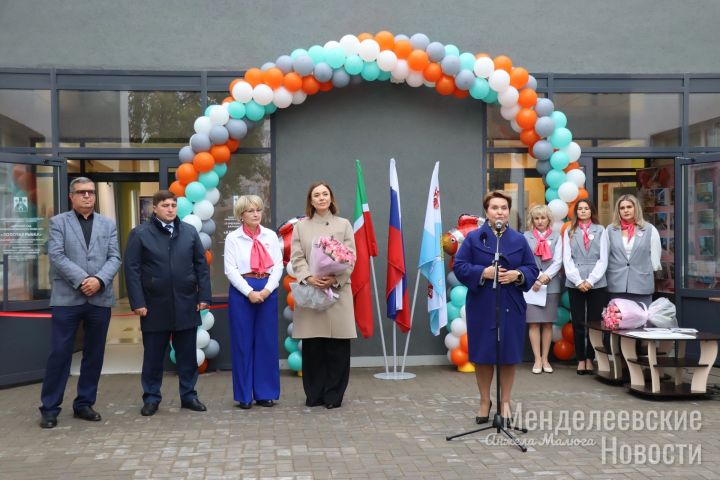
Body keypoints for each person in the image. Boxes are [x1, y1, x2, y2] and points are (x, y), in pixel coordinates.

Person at [38, 177, 121, 428]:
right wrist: (84, 279)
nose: (87, 196)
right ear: (72, 196)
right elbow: (57, 256)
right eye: (82, 192)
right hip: (67, 299)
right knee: (60, 353)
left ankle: (84, 403)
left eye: (91, 192)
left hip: (99, 298)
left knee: (94, 355)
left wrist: (98, 280)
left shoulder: (108, 224)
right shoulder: (58, 223)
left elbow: (115, 257)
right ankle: (50, 408)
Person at [453, 191, 538, 425]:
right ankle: (484, 400)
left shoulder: (519, 239)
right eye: (494, 208)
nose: (499, 211)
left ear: (508, 211)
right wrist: (483, 272)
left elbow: (532, 268)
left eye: (503, 207)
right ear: (486, 212)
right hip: (482, 304)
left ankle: (505, 402)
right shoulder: (473, 238)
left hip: (511, 303)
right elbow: (459, 267)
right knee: (483, 355)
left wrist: (517, 275)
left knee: (508, 355)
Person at [124, 190, 211, 417]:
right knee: (153, 357)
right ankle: (151, 398)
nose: (171, 209)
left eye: (173, 205)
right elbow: (131, 270)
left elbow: (201, 267)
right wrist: (138, 302)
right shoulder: (140, 234)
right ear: (155, 208)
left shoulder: (189, 232)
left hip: (185, 303)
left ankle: (189, 396)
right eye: (165, 205)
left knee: (187, 356)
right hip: (153, 306)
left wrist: (203, 297)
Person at [290, 182, 356, 409]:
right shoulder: (301, 227)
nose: (321, 198)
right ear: (310, 200)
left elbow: (351, 258)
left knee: (337, 348)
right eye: (316, 195)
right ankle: (314, 394)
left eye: (325, 194)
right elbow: (296, 258)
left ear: (331, 198)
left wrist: (335, 279)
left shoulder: (344, 224)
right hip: (312, 293)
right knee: (314, 348)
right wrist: (308, 277)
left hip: (338, 292)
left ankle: (333, 396)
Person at [224, 195, 283, 409]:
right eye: (250, 210)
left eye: (258, 209)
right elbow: (230, 270)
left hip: (267, 289)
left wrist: (267, 290)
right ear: (241, 215)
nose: (256, 214)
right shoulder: (233, 238)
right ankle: (244, 395)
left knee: (266, 342)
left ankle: (265, 393)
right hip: (243, 292)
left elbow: (278, 266)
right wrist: (249, 292)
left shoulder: (270, 235)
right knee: (243, 343)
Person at [562, 199, 608, 375]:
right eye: (579, 209)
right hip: (576, 281)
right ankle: (581, 359)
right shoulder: (569, 231)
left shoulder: (601, 230)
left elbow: (603, 258)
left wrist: (591, 280)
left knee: (595, 322)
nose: (583, 211)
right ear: (576, 212)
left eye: (586, 208)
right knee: (579, 322)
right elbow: (567, 258)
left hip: (596, 281)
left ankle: (591, 357)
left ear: (591, 211)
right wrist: (578, 281)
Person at [522, 204, 563, 375]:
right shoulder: (525, 237)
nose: (540, 221)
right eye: (536, 218)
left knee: (547, 323)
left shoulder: (557, 236)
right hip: (531, 285)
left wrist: (545, 277)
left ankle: (546, 359)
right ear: (532, 220)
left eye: (543, 218)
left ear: (549, 220)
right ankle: (537, 359)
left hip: (551, 284)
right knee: (533, 323)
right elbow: (523, 258)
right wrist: (534, 278)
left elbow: (558, 260)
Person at [603, 194, 661, 307]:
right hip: (616, 283)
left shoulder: (650, 229)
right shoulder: (610, 229)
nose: (626, 210)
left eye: (629, 207)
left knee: (642, 321)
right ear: (618, 211)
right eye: (622, 208)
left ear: (636, 208)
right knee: (618, 321)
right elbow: (604, 255)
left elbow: (655, 257)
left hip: (641, 284)